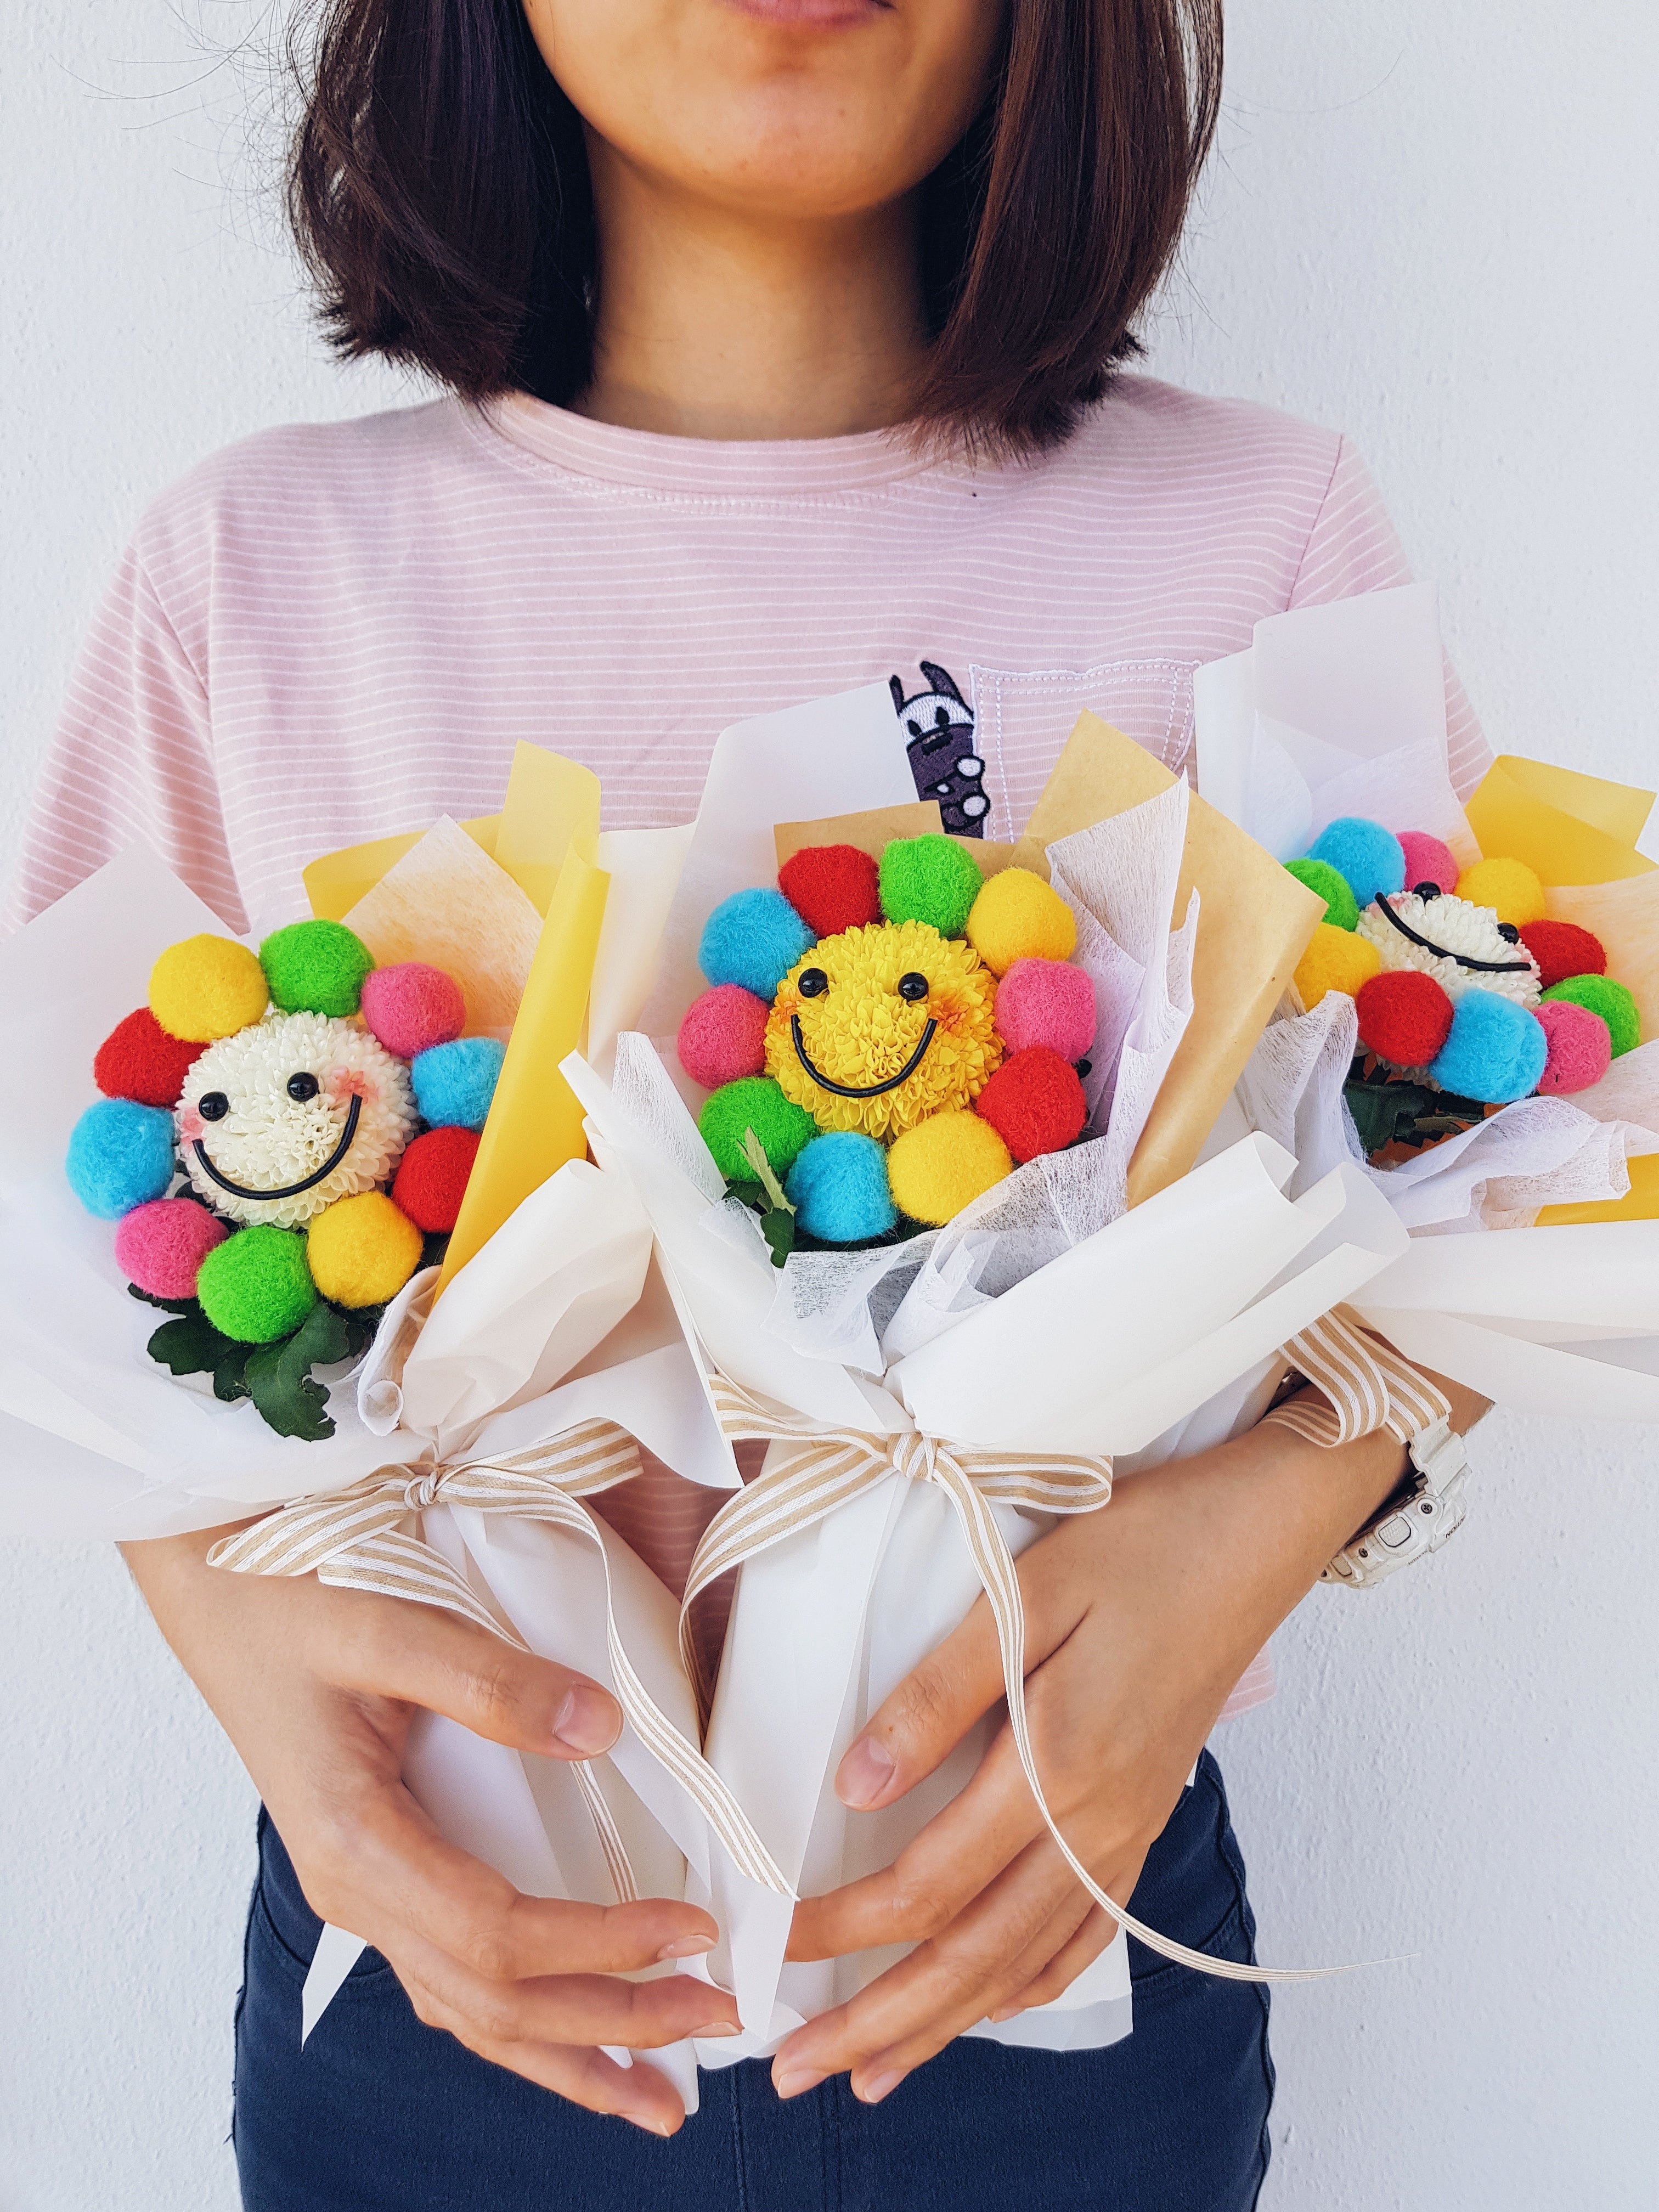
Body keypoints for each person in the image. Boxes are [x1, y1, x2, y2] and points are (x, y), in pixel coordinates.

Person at [13, 1, 1491, 2204]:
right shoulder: (253, 575)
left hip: (1054, 1942)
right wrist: (249, 1660)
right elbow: (73, 1271)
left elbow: (1473, 1172)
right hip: (446, 1958)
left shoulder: (1264, 532)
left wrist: (1265, 1529)